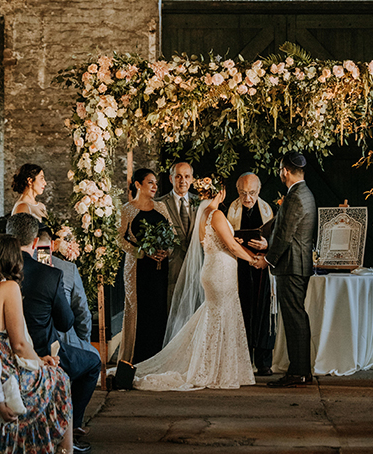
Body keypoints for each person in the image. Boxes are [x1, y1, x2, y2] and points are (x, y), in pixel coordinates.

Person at [133, 182, 262, 391]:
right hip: (220, 272)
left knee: (215, 317)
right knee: (220, 317)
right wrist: (253, 259)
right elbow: (230, 245)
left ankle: (215, 367)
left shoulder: (204, 215)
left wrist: (232, 240)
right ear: (222, 192)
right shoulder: (216, 214)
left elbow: (216, 241)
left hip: (214, 269)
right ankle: (214, 370)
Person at [7, 215, 99, 453]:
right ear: (36, 241)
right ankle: (72, 427)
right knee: (92, 363)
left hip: (4, 353)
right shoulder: (49, 274)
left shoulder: (3, 272)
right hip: (41, 351)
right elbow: (66, 322)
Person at [0, 234, 74, 454]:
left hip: (3, 363)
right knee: (60, 379)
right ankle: (63, 449)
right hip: (5, 371)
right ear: (14, 259)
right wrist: (41, 365)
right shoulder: (8, 287)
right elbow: (19, 344)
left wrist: (38, 359)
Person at [263, 152, 317, 388]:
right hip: (298, 264)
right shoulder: (303, 193)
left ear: (284, 170)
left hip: (291, 265)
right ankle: (301, 371)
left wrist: (268, 260)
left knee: (295, 319)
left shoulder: (296, 196)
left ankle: (298, 371)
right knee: (297, 318)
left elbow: (285, 235)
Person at [117, 168, 172, 364]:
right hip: (137, 269)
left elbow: (171, 233)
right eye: (150, 182)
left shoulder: (161, 208)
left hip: (160, 268)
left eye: (156, 183)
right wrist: (141, 251)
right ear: (138, 184)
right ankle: (135, 359)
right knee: (139, 311)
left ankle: (157, 357)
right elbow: (118, 238)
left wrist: (167, 251)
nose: (155, 186)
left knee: (158, 310)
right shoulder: (127, 209)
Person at [227, 172, 275, 376]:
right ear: (237, 191)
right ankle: (243, 361)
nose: (247, 199)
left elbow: (275, 238)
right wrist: (233, 241)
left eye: (252, 193)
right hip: (238, 268)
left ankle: (263, 362)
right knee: (242, 312)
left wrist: (267, 244)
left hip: (262, 268)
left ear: (259, 190)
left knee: (263, 313)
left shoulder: (267, 209)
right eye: (243, 193)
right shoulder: (231, 210)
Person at [37, 228, 99, 361]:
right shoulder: (68, 269)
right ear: (52, 245)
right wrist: (83, 341)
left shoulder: (19, 267)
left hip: (34, 344)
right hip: (66, 342)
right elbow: (82, 312)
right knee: (94, 358)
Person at [155, 161, 195, 306]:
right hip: (172, 269)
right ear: (171, 179)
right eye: (178, 176)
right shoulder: (159, 204)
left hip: (196, 267)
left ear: (191, 179)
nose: (183, 180)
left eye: (186, 176)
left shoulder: (202, 203)